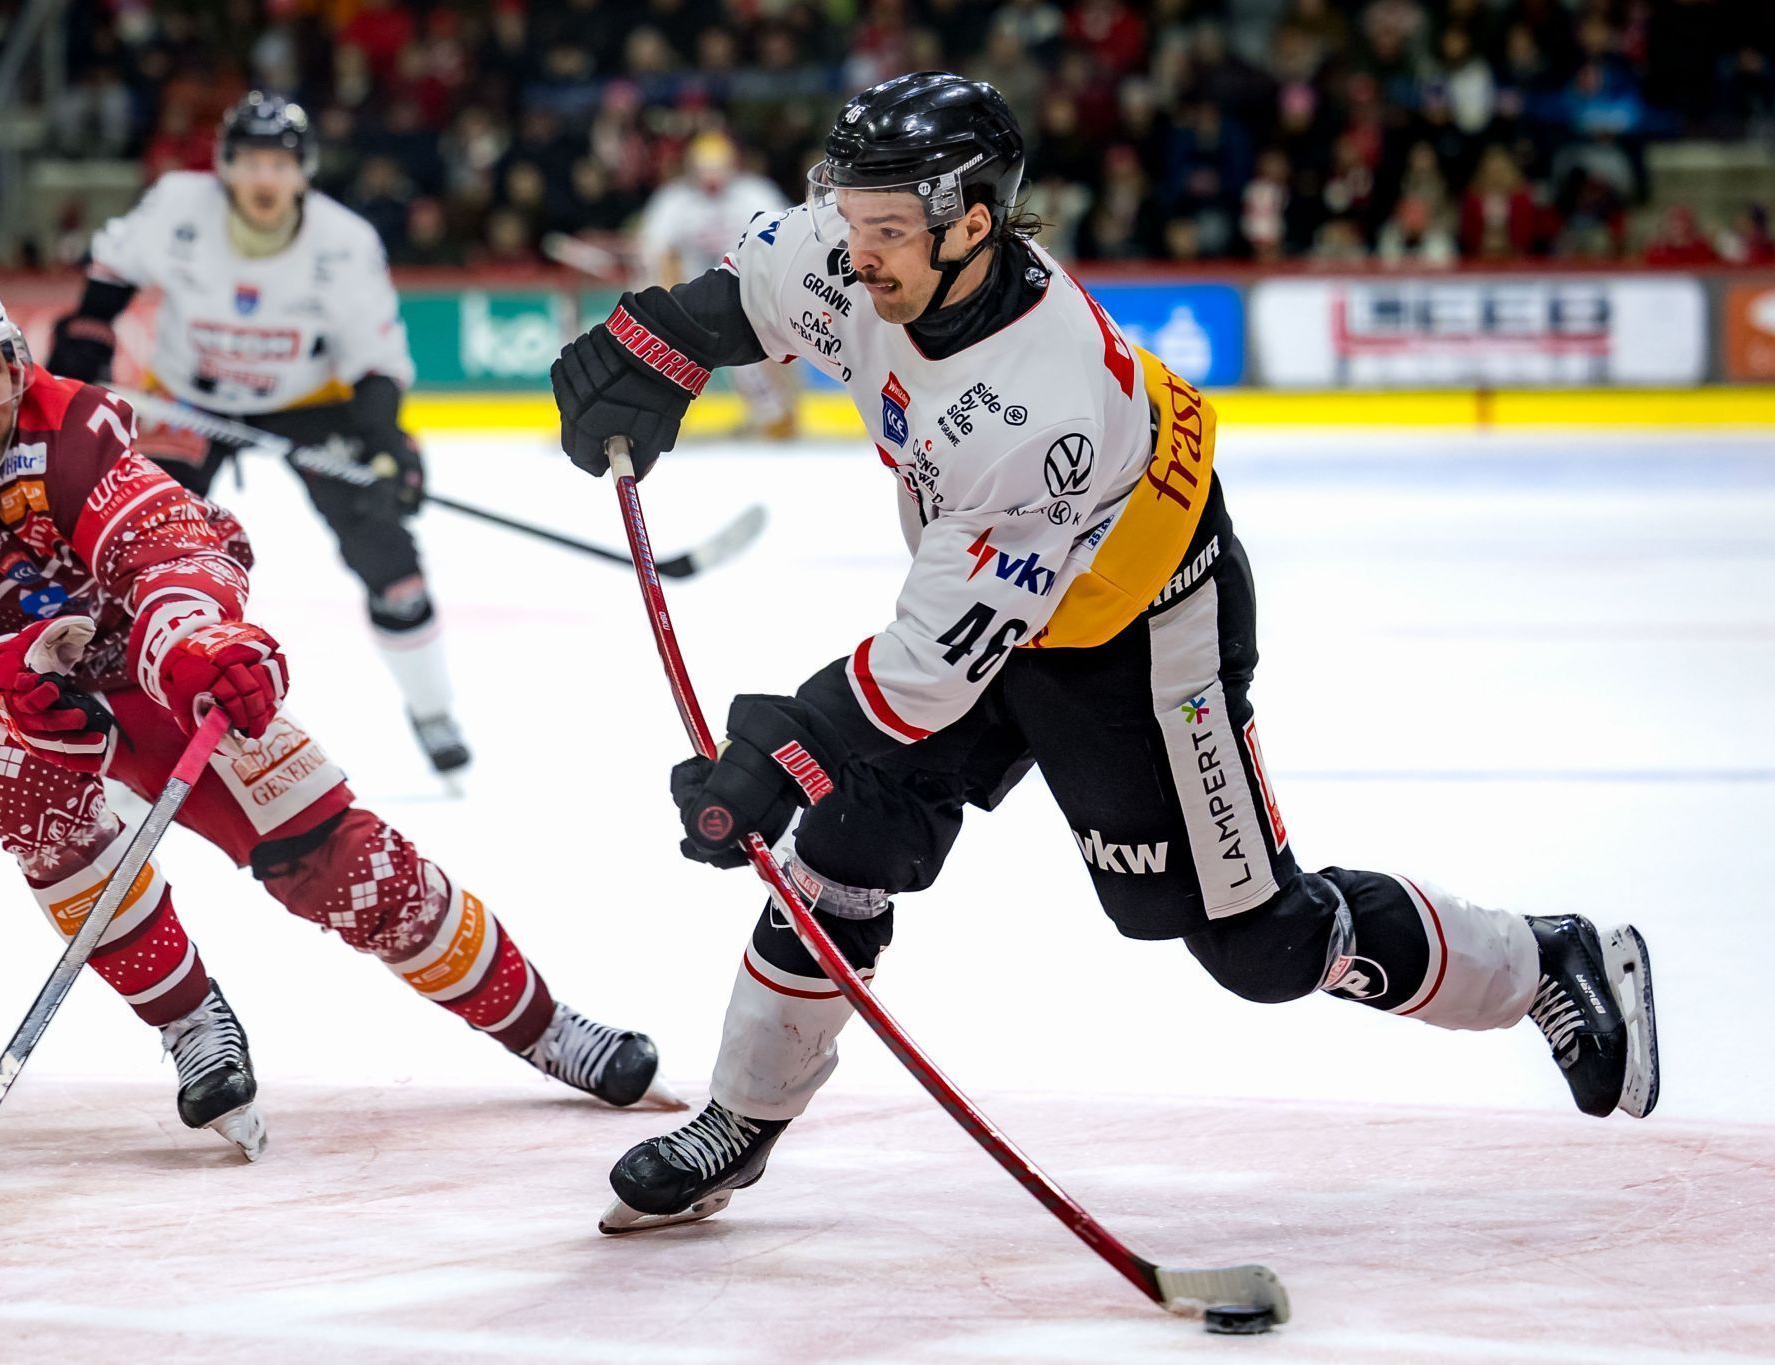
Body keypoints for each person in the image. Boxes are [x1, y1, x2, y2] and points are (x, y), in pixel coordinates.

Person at [549, 72, 1661, 1232]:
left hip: (1135, 630)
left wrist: (783, 748)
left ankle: (1547, 960)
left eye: (884, 228)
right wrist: (657, 345)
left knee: (1258, 944)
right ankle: (741, 1120)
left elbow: (925, 675)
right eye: (850, 210)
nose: (854, 245)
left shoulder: (1040, 407)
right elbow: (751, 294)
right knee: (838, 855)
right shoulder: (861, 238)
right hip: (984, 590)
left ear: (971, 223)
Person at [0, 254, 674, 1163]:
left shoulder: (71, 421)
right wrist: (2, 684)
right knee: (35, 795)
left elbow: (163, 540)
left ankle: (545, 1025)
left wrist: (195, 644)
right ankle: (190, 1021)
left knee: (338, 855)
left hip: (137, 666)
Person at [46, 92, 471, 780]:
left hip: (310, 400)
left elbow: (374, 362)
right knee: (136, 542)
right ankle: (121, 715)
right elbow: (113, 267)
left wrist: (389, 441)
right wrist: (90, 329)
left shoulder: (344, 244)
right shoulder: (180, 208)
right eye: (250, 162)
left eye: (280, 163)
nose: (264, 179)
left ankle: (433, 708)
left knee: (383, 543)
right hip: (191, 400)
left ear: (303, 172)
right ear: (224, 167)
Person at [635, 131, 798, 440]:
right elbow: (658, 250)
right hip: (693, 294)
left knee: (751, 361)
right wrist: (672, 299)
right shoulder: (674, 201)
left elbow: (786, 238)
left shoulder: (755, 194)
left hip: (747, 293)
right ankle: (654, 416)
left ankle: (775, 416)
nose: (711, 174)